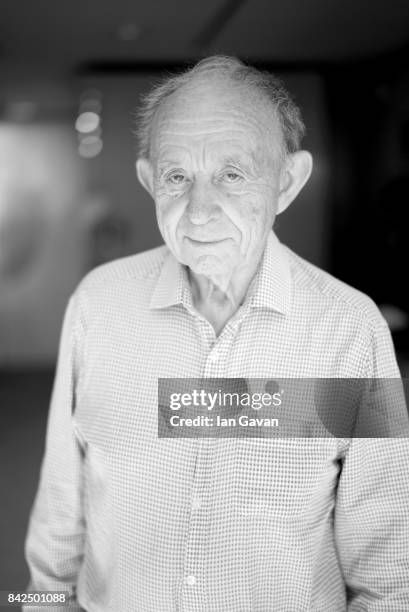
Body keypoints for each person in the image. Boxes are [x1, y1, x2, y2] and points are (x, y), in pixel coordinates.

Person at [24, 55, 409, 611]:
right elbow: (62, 499)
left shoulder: (350, 329)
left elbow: (387, 571)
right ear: (149, 180)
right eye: (177, 176)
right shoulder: (97, 305)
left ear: (287, 182)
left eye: (233, 174)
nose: (199, 211)